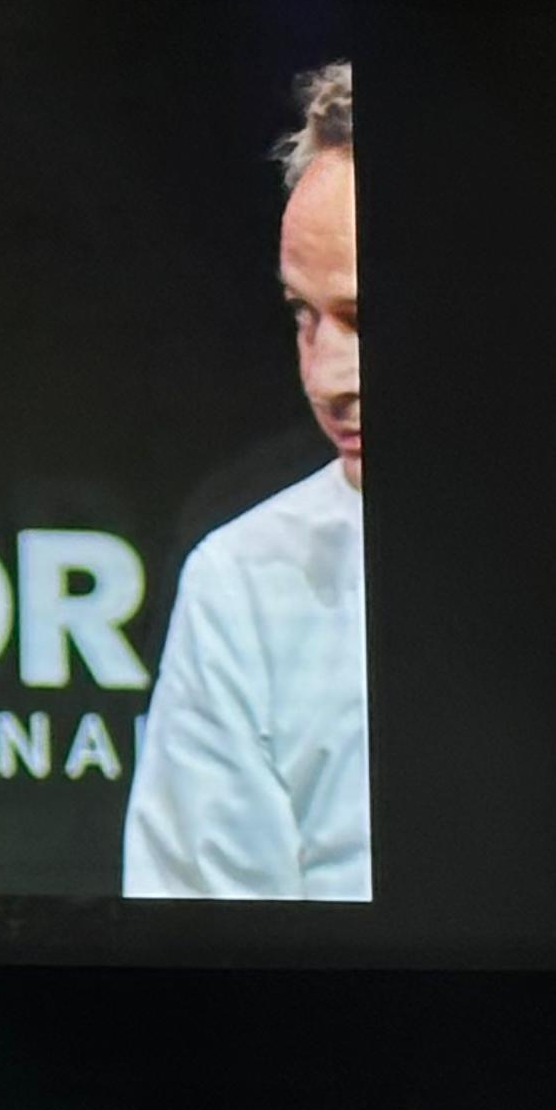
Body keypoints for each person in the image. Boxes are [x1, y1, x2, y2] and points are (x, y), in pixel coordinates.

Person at [123, 61, 369, 902]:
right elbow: (207, 951)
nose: (328, 377)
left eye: (362, 318)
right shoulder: (247, 583)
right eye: (305, 317)